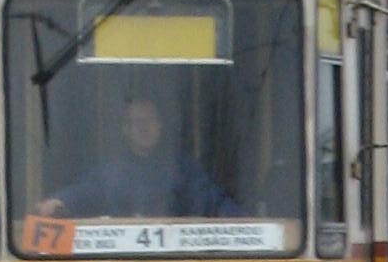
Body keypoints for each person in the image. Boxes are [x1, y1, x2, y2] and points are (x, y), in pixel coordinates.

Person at [37, 91, 239, 220]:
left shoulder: (183, 169)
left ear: (160, 125)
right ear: (125, 129)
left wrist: (244, 223)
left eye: (149, 120)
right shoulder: (111, 172)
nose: (143, 128)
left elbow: (213, 202)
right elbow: (84, 192)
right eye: (136, 122)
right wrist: (59, 202)